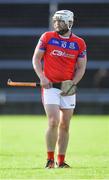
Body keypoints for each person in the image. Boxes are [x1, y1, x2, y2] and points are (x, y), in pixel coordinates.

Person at [32, 10, 87, 168]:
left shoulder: (79, 43)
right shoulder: (47, 37)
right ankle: (50, 159)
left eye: (60, 21)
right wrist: (42, 77)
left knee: (65, 125)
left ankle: (61, 161)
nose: (56, 24)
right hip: (50, 87)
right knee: (53, 121)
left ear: (70, 23)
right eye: (55, 21)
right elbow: (36, 59)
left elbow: (81, 68)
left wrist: (73, 83)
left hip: (68, 87)